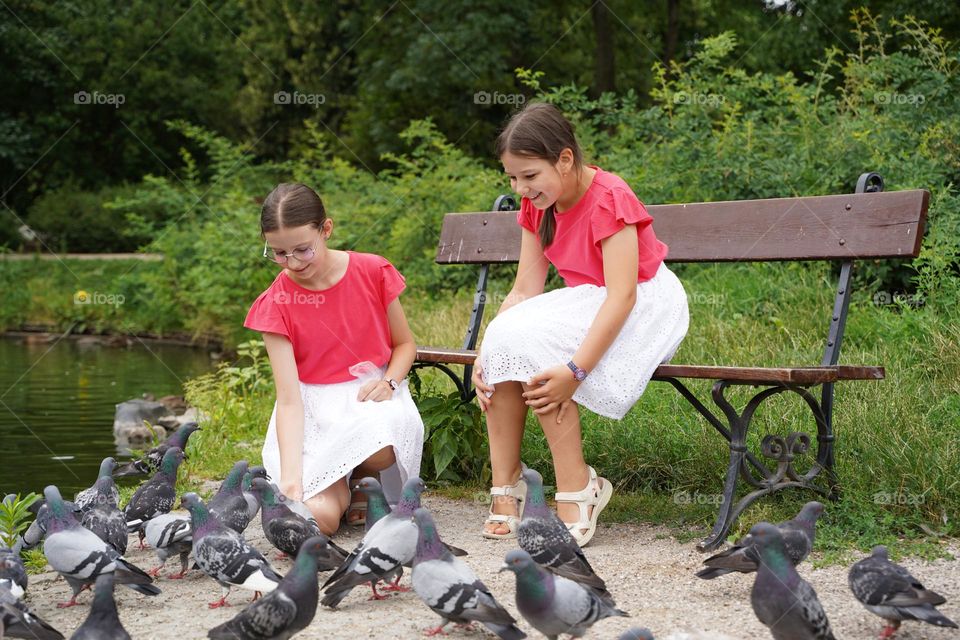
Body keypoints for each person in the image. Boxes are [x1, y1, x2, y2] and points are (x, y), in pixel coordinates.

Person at [473, 103, 689, 546]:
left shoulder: (609, 197)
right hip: (589, 301)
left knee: (537, 345)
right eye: (512, 178)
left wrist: (575, 372)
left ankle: (579, 487)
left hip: (642, 302)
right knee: (509, 340)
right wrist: (486, 353)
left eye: (530, 175)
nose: (521, 188)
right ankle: (507, 484)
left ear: (565, 159)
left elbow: (623, 295)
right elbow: (523, 291)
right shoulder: (538, 206)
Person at [244, 183, 423, 535]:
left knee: (382, 444)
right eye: (279, 253)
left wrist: (390, 382)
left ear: (326, 230)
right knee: (318, 522)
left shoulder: (372, 271)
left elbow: (405, 345)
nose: (292, 263)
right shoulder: (275, 303)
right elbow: (290, 400)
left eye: (302, 250)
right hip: (313, 409)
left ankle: (362, 478)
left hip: (366, 393)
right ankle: (335, 486)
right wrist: (292, 481)